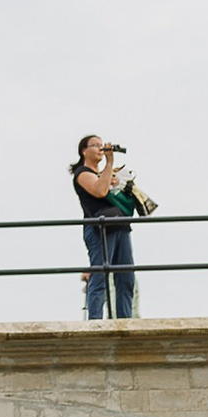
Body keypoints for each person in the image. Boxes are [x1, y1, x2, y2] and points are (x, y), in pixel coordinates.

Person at [71, 135, 140, 320]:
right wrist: (110, 162)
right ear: (84, 151)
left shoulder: (105, 174)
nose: (100, 148)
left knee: (126, 277)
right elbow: (100, 191)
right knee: (100, 274)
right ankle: (95, 321)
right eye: (95, 145)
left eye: (101, 145)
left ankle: (125, 320)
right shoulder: (82, 173)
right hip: (99, 228)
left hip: (119, 225)